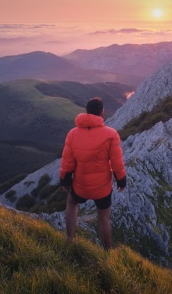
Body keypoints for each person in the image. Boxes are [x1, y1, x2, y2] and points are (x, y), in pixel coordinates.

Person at [60, 97, 126, 249]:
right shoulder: (111, 134)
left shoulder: (73, 133)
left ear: (87, 111)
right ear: (102, 112)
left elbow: (67, 161)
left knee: (71, 203)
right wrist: (121, 180)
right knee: (104, 218)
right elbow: (117, 162)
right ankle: (107, 252)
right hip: (102, 188)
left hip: (80, 185)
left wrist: (65, 181)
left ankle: (69, 240)